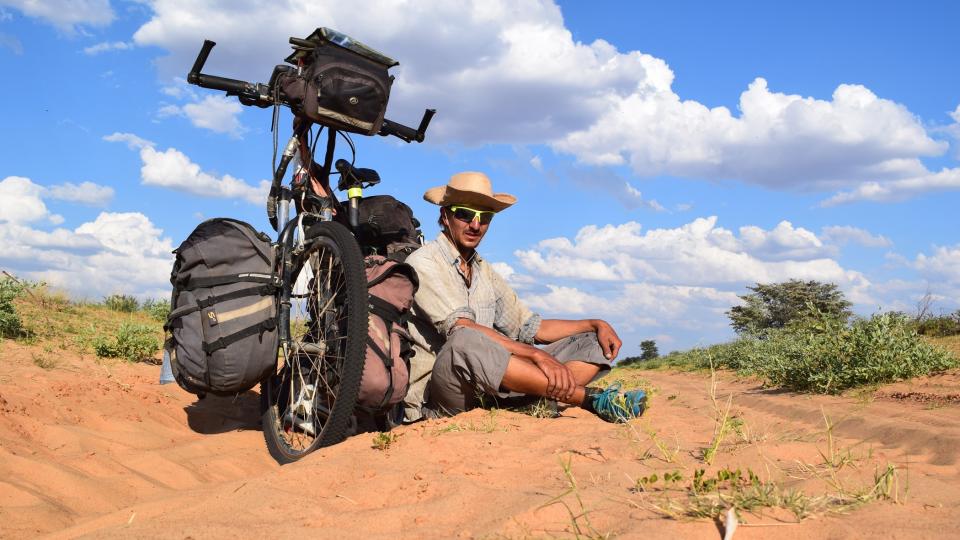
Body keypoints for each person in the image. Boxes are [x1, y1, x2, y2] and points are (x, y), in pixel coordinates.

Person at [403, 171, 647, 424]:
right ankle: (590, 399)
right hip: (442, 396)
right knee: (464, 338)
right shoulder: (423, 262)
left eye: (484, 217)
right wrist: (536, 355)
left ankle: (534, 401)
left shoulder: (483, 269)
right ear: (445, 216)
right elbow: (462, 329)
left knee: (591, 340)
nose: (475, 225)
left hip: (487, 390)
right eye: (465, 214)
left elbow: (529, 327)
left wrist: (596, 324)